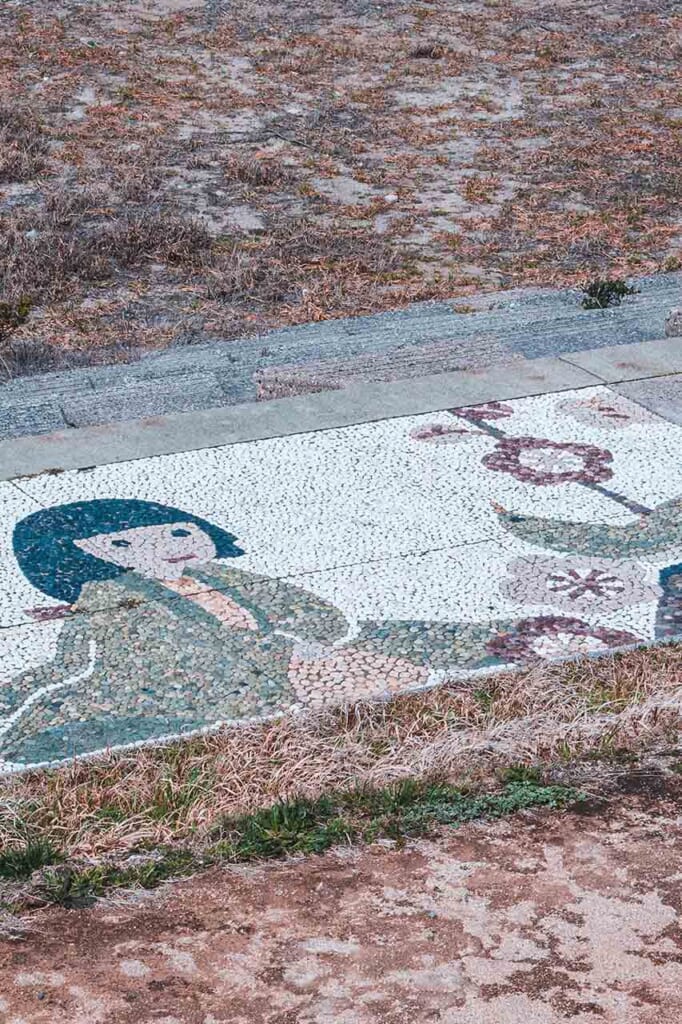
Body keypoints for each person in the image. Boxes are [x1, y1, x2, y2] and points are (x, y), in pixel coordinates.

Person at [2, 499, 501, 765]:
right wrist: (283, 652)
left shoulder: (219, 576)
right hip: (196, 682)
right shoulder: (111, 598)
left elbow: (305, 610)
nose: (169, 546)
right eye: (122, 542)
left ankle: (501, 640)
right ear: (89, 556)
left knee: (392, 637)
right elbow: (155, 657)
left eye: (179, 531)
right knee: (357, 667)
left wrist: (310, 638)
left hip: (286, 658)